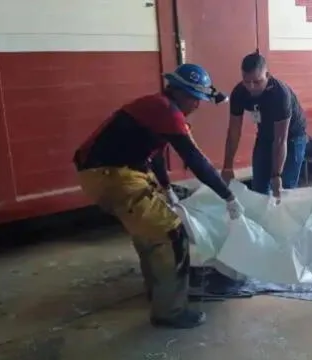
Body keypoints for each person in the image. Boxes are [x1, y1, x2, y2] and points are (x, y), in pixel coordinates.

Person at [73, 63, 244, 329]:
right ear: (181, 93)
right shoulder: (167, 111)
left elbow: (154, 156)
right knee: (170, 234)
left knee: (150, 233)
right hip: (113, 176)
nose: (197, 106)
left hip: (109, 174)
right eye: (195, 99)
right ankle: (170, 311)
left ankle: (158, 290)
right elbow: (195, 160)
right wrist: (228, 196)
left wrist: (165, 188)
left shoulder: (157, 107)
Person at [221, 51, 307, 198]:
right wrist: (227, 166)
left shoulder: (280, 95)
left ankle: (282, 218)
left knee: (284, 189)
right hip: (265, 135)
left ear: (267, 75)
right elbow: (234, 131)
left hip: (291, 138)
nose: (251, 87)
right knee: (259, 188)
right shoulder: (239, 93)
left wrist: (276, 175)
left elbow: (280, 140)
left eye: (257, 81)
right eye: (247, 81)